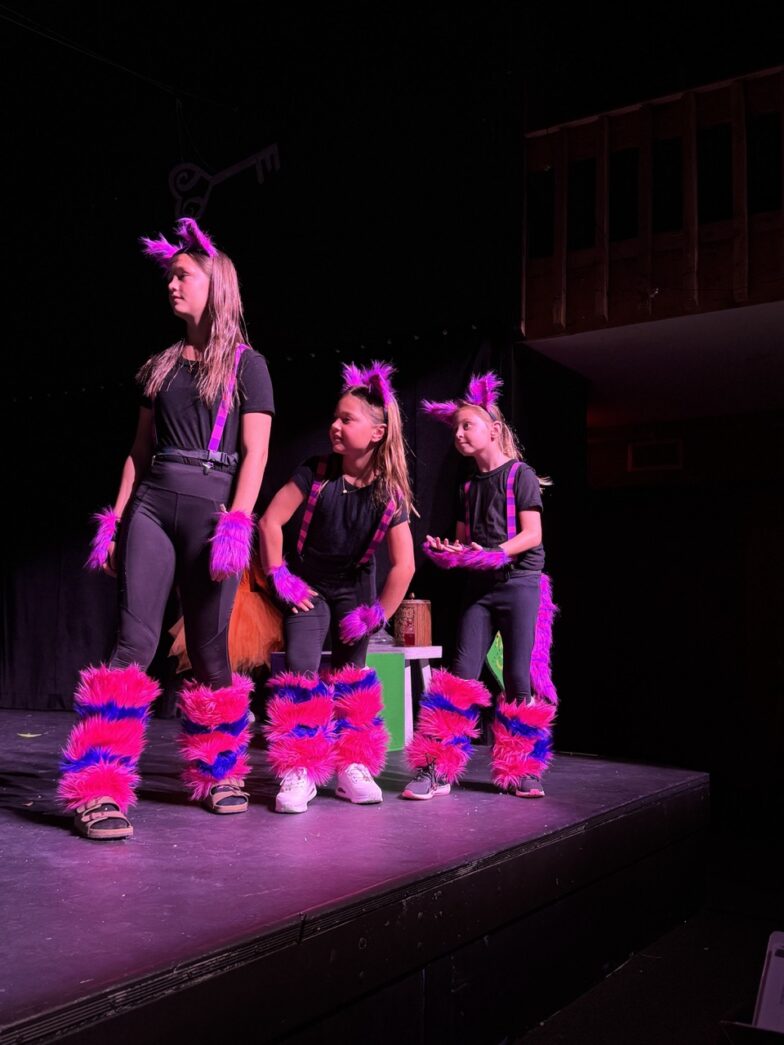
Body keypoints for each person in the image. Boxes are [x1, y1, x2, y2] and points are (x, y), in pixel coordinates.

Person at [58, 217, 274, 839]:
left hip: (213, 510)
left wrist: (237, 522)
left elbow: (256, 453)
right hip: (153, 505)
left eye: (183, 275)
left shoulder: (247, 365)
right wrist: (117, 520)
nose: (171, 285)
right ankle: (97, 787)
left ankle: (218, 770)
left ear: (217, 283)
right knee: (134, 645)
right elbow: (138, 449)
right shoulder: (160, 366)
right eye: (170, 276)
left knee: (210, 651)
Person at [258, 361, 415, 813]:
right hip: (307, 585)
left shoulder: (390, 493)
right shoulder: (316, 471)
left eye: (348, 419)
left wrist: (374, 615)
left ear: (377, 432)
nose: (335, 426)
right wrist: (281, 577)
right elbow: (270, 522)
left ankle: (351, 767)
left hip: (354, 589)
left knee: (353, 680)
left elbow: (403, 566)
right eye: (336, 417)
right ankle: (299, 768)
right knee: (301, 672)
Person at [402, 372, 558, 801]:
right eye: (454, 429)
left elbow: (532, 535)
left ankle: (523, 770)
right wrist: (448, 551)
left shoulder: (519, 476)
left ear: (493, 428)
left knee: (517, 676)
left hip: (519, 584)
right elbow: (466, 538)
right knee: (460, 674)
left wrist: (495, 553)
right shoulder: (468, 486)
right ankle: (436, 769)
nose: (458, 434)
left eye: (466, 425)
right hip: (480, 588)